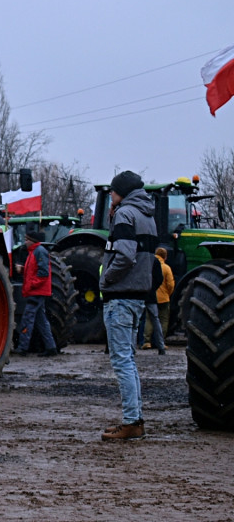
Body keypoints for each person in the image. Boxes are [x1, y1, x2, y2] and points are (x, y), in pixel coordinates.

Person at [99, 170, 157, 441]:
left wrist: (106, 279)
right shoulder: (148, 216)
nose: (110, 194)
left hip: (120, 297)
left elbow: (123, 256)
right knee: (129, 360)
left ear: (122, 191)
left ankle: (131, 421)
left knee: (121, 360)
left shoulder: (125, 214)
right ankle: (135, 418)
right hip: (137, 297)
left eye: (113, 190)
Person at [13, 231, 59, 357]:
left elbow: (43, 273)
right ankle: (51, 348)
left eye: (27, 239)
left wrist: (31, 285)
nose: (25, 242)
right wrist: (23, 270)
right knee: (41, 321)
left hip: (36, 292)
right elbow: (35, 271)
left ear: (32, 241)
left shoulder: (39, 252)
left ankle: (23, 348)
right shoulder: (34, 252)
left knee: (27, 319)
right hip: (37, 291)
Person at [143, 247, 174, 353]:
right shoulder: (166, 267)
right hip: (162, 297)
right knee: (161, 320)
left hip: (146, 294)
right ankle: (160, 343)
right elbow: (170, 284)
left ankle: (146, 341)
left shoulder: (146, 263)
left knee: (148, 320)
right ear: (165, 256)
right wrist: (168, 294)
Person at [139, 253, 165, 355]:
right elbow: (159, 278)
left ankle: (132, 348)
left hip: (139, 294)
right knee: (156, 320)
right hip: (151, 295)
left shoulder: (138, 259)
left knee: (135, 322)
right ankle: (161, 347)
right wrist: (152, 288)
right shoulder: (154, 260)